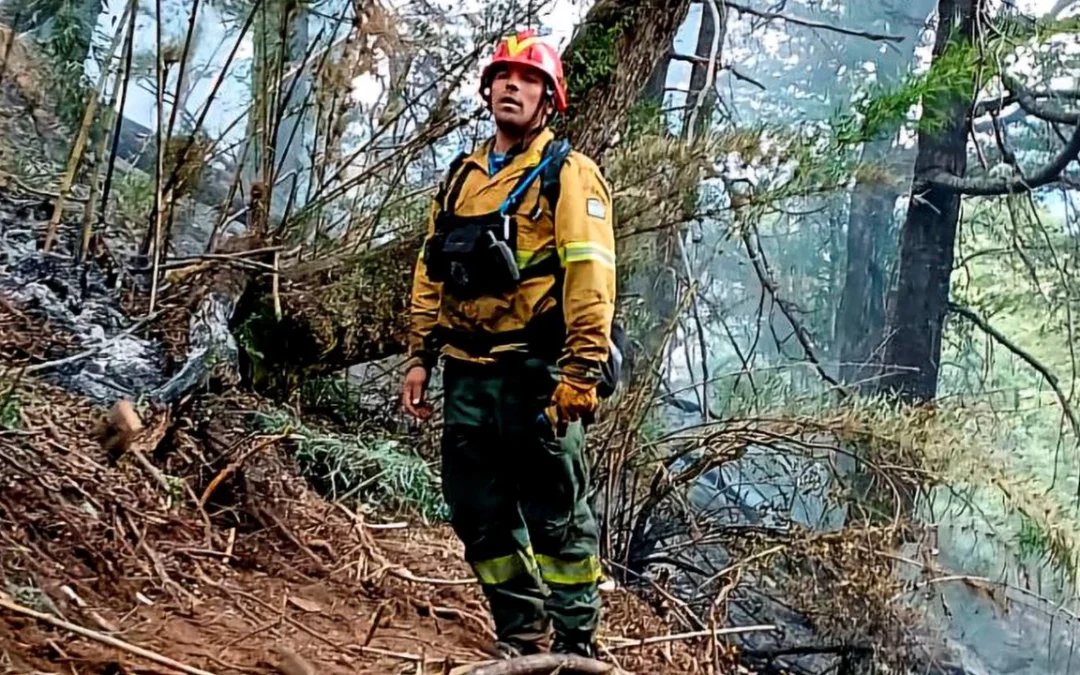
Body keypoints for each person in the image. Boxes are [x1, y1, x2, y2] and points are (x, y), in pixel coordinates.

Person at [399, 29, 617, 660]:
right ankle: (522, 636)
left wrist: (581, 372)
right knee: (476, 511)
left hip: (536, 375)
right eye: (504, 77)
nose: (512, 87)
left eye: (528, 80)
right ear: (488, 89)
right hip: (466, 373)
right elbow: (429, 270)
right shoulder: (461, 178)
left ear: (549, 100)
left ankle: (577, 648)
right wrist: (420, 356)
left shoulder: (569, 175)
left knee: (556, 515)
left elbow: (591, 277)